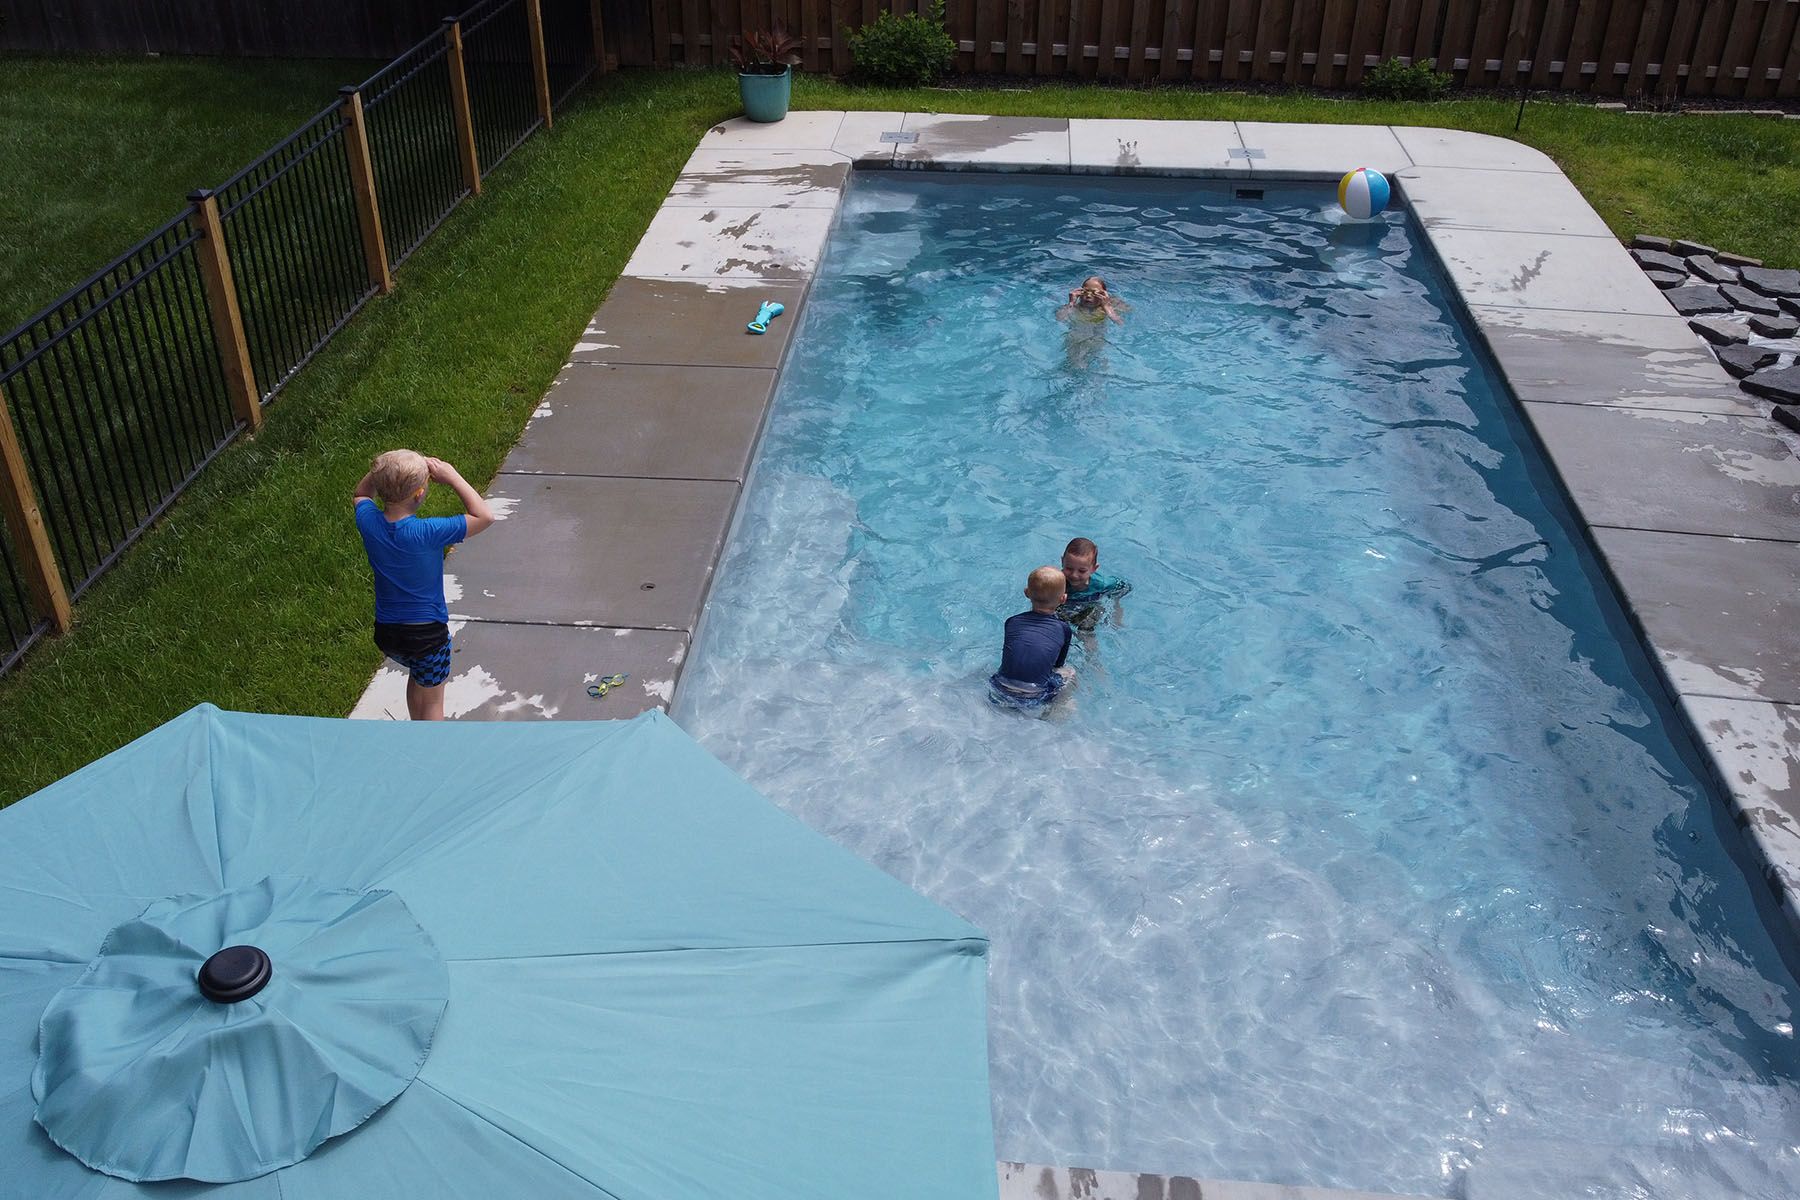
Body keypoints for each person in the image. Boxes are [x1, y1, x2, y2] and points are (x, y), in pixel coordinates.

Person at [353, 449, 496, 720]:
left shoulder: (369, 522)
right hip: (427, 636)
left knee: (417, 677)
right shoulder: (428, 532)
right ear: (420, 494)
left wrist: (381, 472)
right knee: (432, 703)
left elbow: (360, 494)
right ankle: (432, 753)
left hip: (388, 635)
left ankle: (416, 730)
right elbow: (484, 517)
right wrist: (453, 476)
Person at [990, 566, 1076, 711]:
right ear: (1063, 598)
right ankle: (1055, 711)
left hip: (999, 688)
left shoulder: (1011, 622)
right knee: (1070, 672)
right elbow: (1057, 665)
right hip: (1035, 696)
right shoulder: (1064, 629)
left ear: (1027, 593)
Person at [1058, 537, 1131, 631]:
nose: (1074, 575)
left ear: (1094, 569)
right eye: (1069, 568)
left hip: (1091, 606)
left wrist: (1117, 610)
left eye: (1082, 571)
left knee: (1087, 628)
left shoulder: (1101, 583)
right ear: (1062, 562)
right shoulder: (1057, 581)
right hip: (1066, 607)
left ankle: (1091, 645)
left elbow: (1124, 588)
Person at [1056, 276, 1126, 326]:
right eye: (1085, 292)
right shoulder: (1074, 307)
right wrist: (1071, 303)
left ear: (1103, 294)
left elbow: (1120, 324)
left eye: (1095, 293)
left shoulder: (1113, 304)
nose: (1088, 296)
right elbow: (1060, 319)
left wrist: (1106, 307)